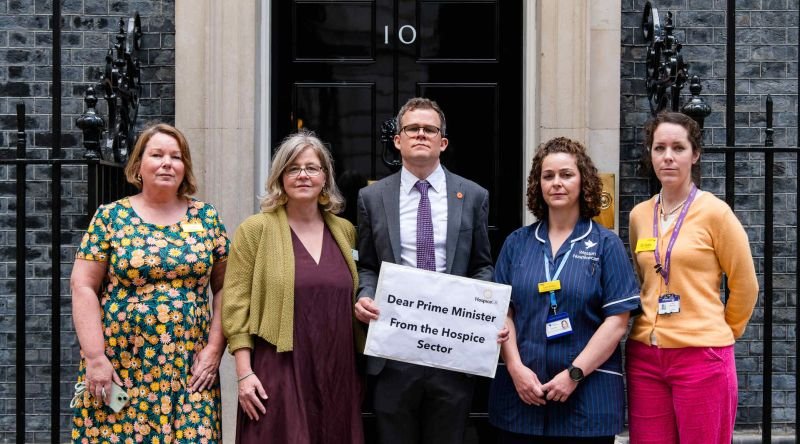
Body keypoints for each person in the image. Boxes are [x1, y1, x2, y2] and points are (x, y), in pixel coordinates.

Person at [70, 123, 229, 443]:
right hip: (121, 366)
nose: (167, 163)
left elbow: (227, 287)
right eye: (157, 155)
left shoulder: (206, 218)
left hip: (189, 371)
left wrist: (214, 350)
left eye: (176, 156)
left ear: (185, 167)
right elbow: (83, 285)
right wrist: (95, 357)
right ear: (139, 164)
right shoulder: (110, 218)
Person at [354, 97, 497, 444]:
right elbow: (368, 265)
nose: (421, 134)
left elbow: (481, 265)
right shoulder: (372, 198)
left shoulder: (473, 195)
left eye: (429, 129)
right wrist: (365, 296)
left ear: (442, 142)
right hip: (394, 353)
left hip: (452, 355)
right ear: (398, 140)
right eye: (412, 128)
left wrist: (486, 311)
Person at [488, 137, 641, 444]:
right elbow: (502, 311)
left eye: (566, 174)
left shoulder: (605, 244)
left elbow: (617, 323)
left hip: (587, 400)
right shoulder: (517, 243)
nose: (557, 183)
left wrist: (574, 374)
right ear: (538, 184)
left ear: (582, 180)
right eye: (548, 176)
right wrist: (516, 368)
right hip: (522, 398)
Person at [222, 130, 365, 443]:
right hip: (279, 367)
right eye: (293, 168)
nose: (303, 175)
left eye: (312, 168)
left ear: (325, 177)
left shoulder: (345, 231)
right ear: (280, 176)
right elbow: (235, 306)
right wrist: (244, 374)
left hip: (336, 369)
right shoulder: (255, 230)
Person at [626, 111, 758, 444]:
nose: (667, 157)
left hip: (702, 355)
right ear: (651, 154)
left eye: (678, 148)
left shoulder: (715, 213)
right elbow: (645, 277)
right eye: (659, 148)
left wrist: (724, 330)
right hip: (645, 356)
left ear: (694, 154)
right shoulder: (639, 216)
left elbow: (745, 283)